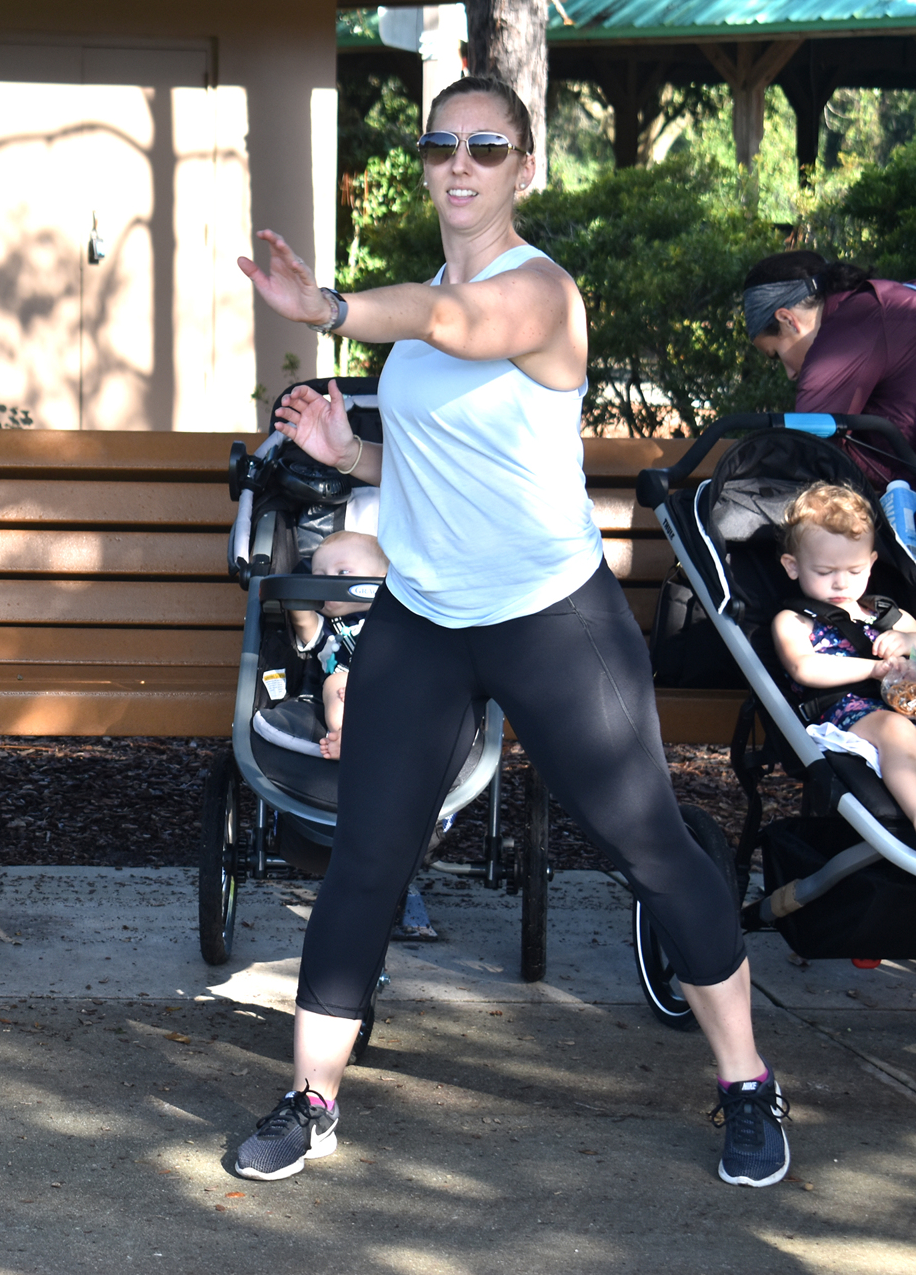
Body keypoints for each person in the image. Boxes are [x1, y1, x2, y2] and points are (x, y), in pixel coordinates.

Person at [226, 74, 788, 1188]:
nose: (459, 166)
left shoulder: (538, 295)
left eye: (486, 148)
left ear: (522, 169)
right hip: (426, 617)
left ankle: (746, 1082)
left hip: (549, 618)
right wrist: (350, 461)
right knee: (366, 855)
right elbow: (444, 457)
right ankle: (311, 1096)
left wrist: (328, 310)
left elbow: (457, 324)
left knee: (648, 844)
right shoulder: (429, 302)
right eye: (442, 147)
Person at [770, 482, 916, 811]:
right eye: (825, 571)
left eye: (855, 570)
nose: (841, 582)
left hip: (904, 703)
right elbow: (804, 667)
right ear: (792, 566)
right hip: (846, 716)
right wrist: (874, 668)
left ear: (872, 561)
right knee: (894, 729)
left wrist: (907, 642)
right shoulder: (795, 620)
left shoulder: (885, 613)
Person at [744, 251, 916, 486]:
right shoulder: (896, 298)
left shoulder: (854, 325)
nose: (791, 374)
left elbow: (805, 454)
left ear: (787, 320)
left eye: (776, 354)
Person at [286, 531, 387, 760]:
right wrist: (298, 592)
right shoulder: (328, 629)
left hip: (391, 689)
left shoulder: (395, 618)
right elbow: (303, 621)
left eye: (342, 572)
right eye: (319, 576)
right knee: (336, 683)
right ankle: (346, 736)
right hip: (346, 693)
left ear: (383, 578)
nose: (329, 582)